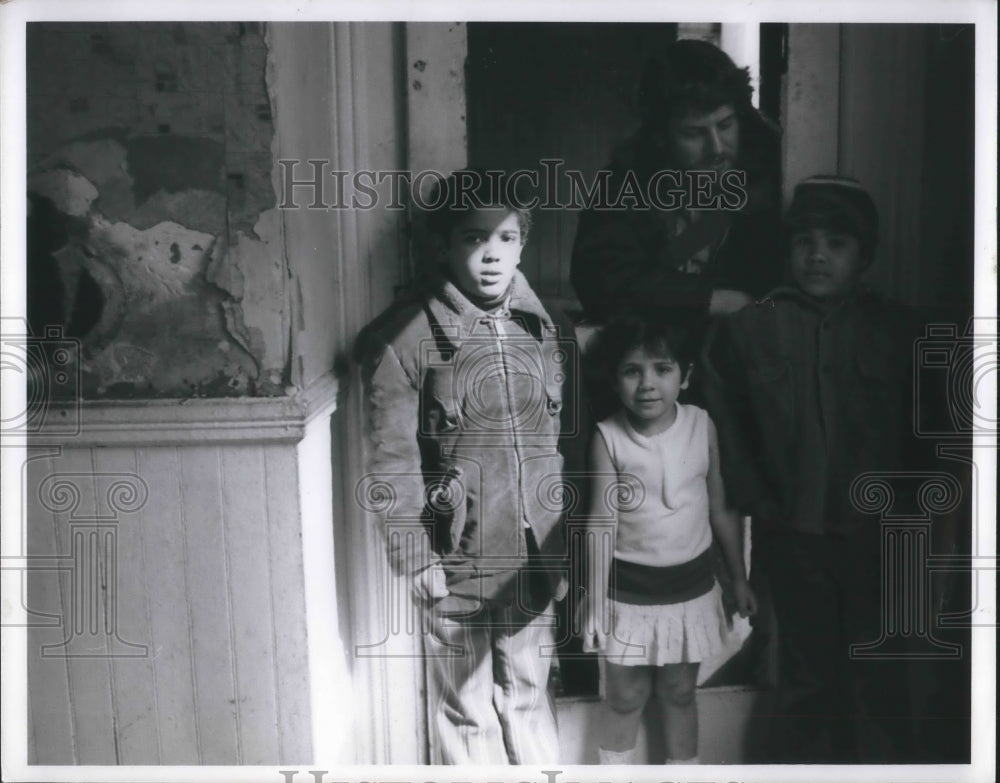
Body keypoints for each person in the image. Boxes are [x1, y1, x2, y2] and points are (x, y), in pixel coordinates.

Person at [355, 170, 581, 765]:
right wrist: (414, 554)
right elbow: (393, 463)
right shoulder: (401, 338)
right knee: (468, 707)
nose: (490, 255)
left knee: (530, 693)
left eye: (506, 239)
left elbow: (561, 445)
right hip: (456, 559)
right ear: (445, 243)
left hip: (535, 553)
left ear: (524, 244)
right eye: (473, 238)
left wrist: (568, 537)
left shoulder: (546, 328)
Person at [702, 175, 929, 762]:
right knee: (805, 681)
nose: (818, 254)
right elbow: (730, 434)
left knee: (879, 680)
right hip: (795, 539)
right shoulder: (752, 330)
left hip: (879, 543)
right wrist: (766, 509)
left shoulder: (901, 332)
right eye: (804, 241)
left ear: (866, 256)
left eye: (837, 243)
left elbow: (928, 442)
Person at [578, 316, 756, 765]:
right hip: (629, 594)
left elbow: (721, 508)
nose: (647, 384)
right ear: (614, 378)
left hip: (689, 590)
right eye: (632, 370)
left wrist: (739, 578)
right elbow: (600, 520)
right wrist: (594, 598)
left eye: (662, 368)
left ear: (686, 375)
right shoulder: (608, 437)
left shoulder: (702, 426)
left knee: (679, 693)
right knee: (625, 696)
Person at [571, 38, 782, 328]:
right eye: (694, 133)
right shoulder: (624, 181)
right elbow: (602, 284)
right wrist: (712, 300)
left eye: (725, 125)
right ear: (660, 136)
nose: (717, 148)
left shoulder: (778, 170)